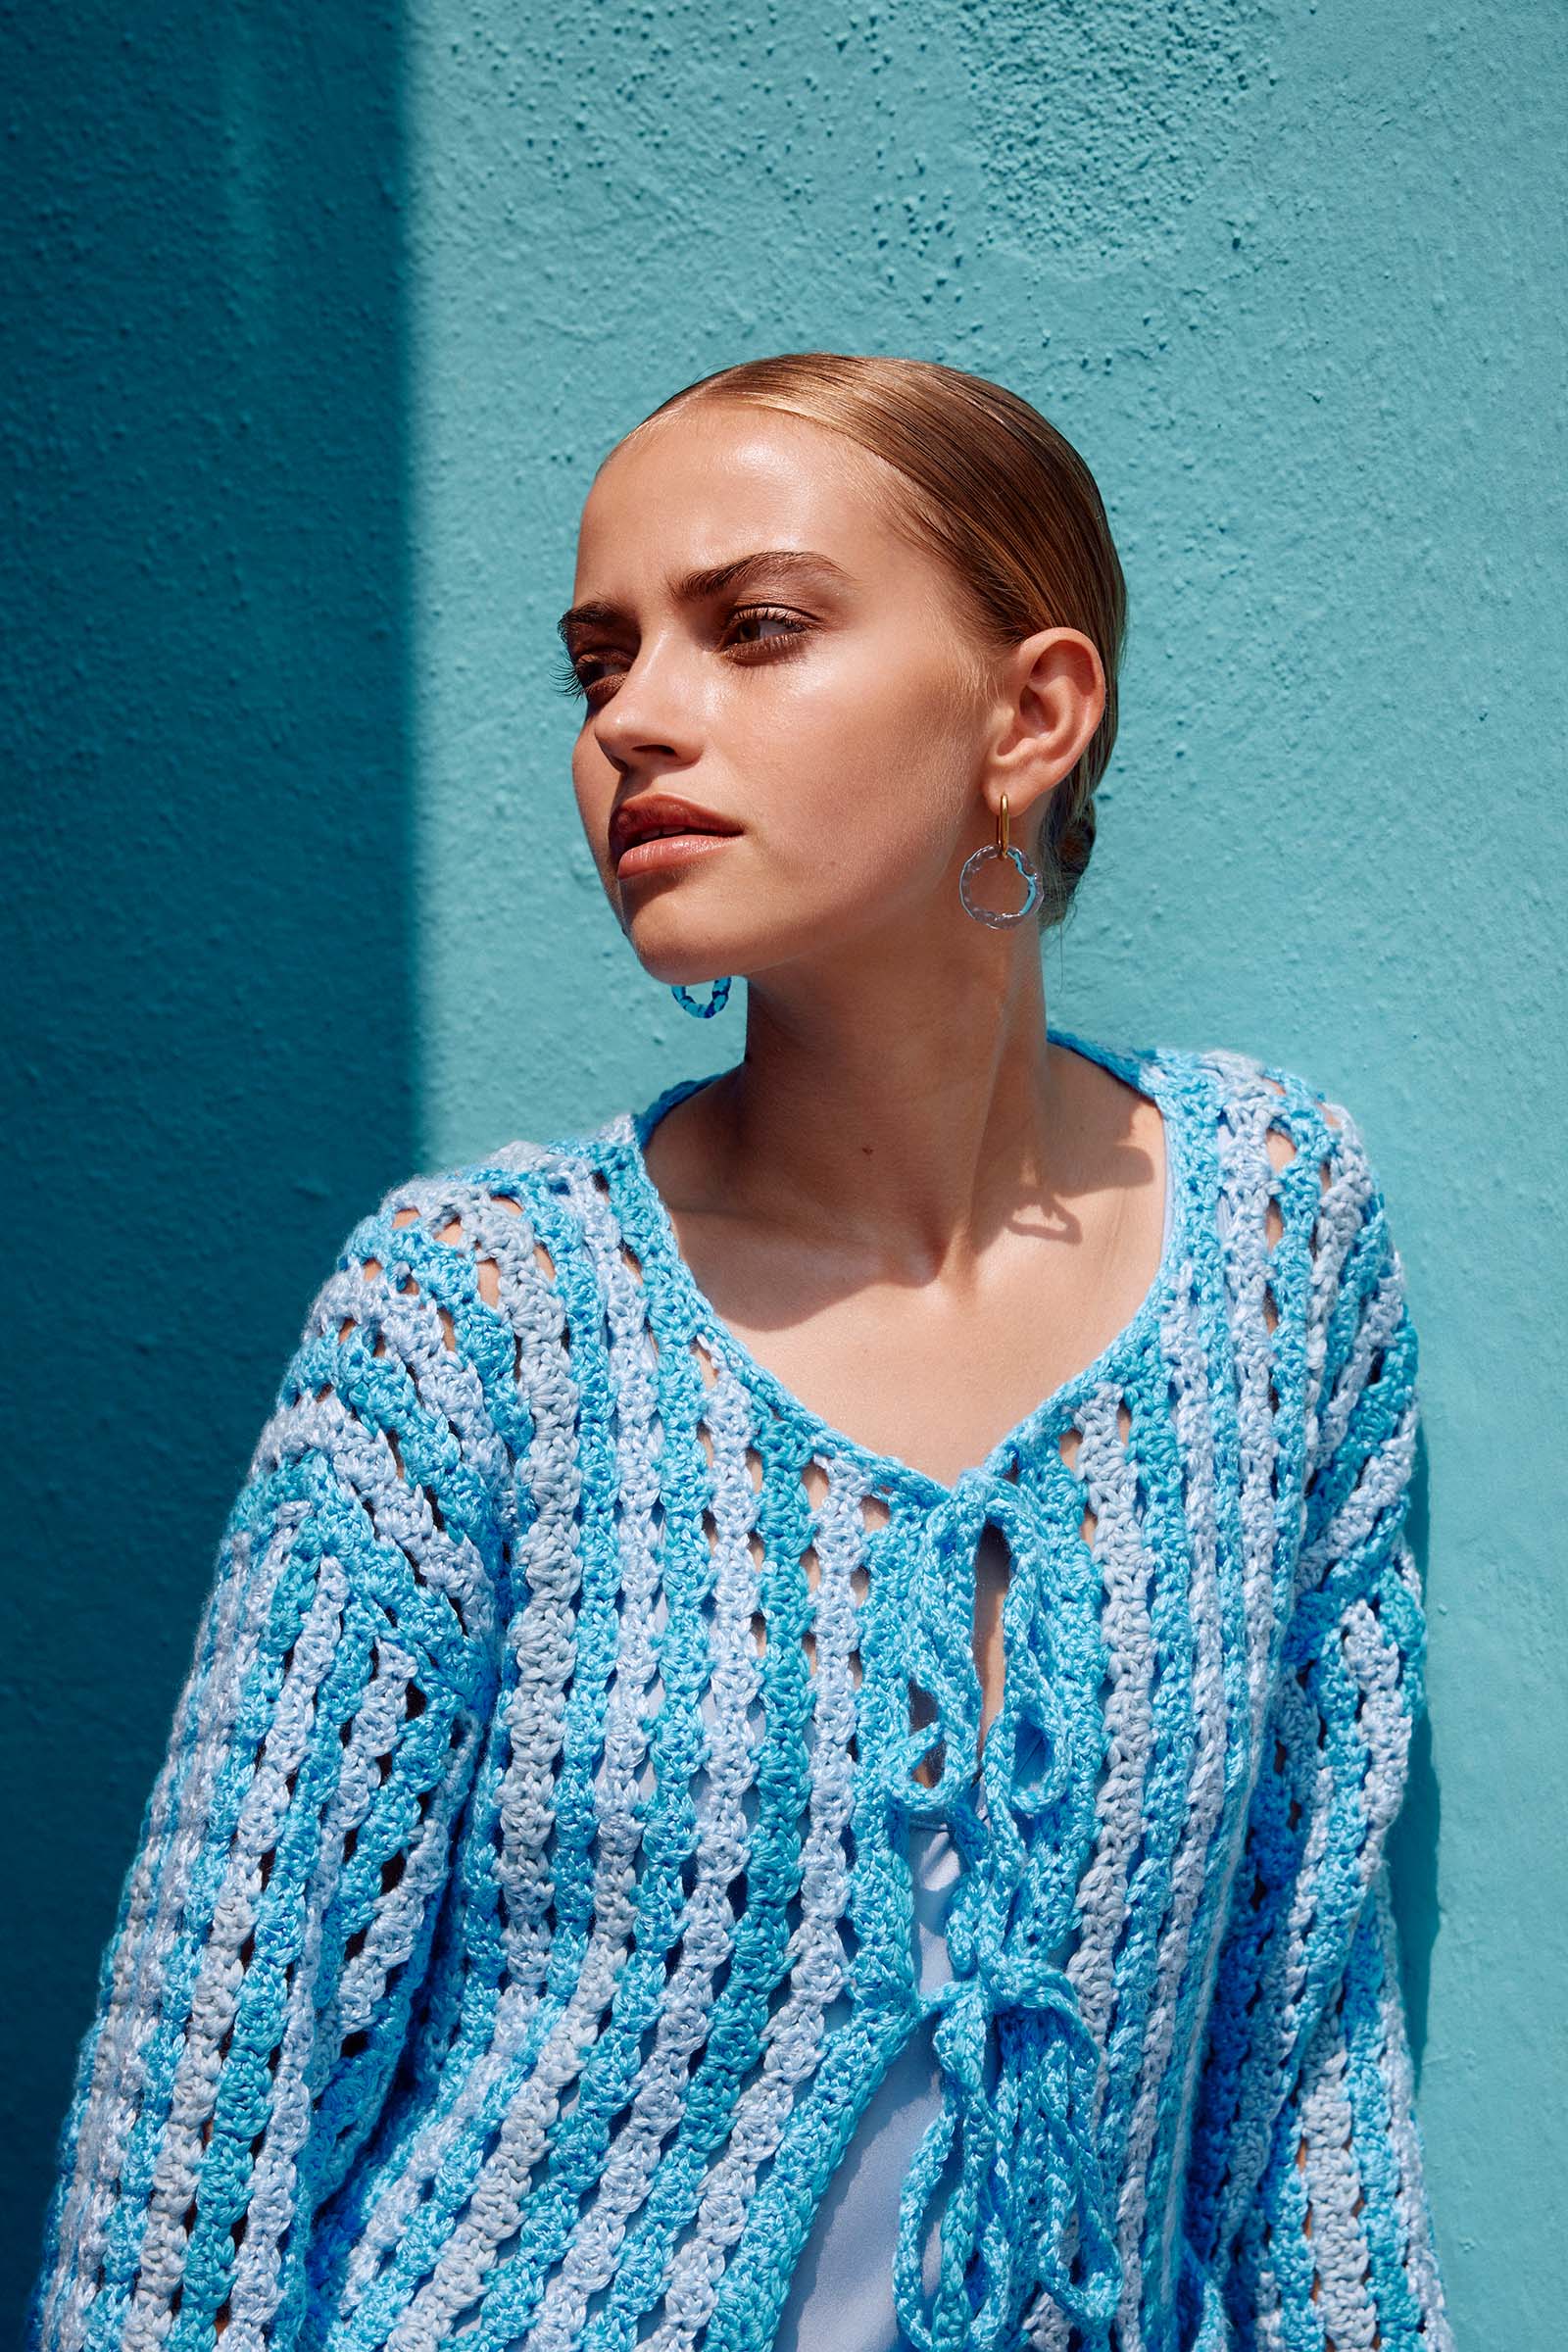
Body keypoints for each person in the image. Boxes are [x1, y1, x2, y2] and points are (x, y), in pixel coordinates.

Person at [27, 352, 1454, 2352]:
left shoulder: (1275, 1247)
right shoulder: (480, 1317)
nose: (632, 720)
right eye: (597, 662)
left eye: (755, 627)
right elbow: (200, 2106)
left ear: (1031, 716)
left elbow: (1297, 2035)